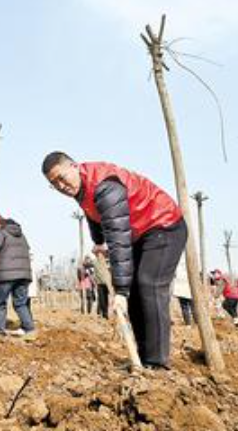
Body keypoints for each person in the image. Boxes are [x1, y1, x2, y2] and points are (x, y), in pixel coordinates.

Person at [42, 153, 186, 369]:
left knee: (149, 284)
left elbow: (118, 240)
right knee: (137, 294)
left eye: (62, 178)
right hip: (139, 231)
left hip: (163, 224)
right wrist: (98, 240)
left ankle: (157, 363)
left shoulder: (104, 187)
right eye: (54, 184)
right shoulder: (80, 188)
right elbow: (94, 214)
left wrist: (120, 291)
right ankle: (144, 359)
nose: (61, 186)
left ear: (74, 166)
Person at [0, 217, 36, 337]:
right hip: (23, 275)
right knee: (20, 303)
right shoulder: (22, 236)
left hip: (5, 275)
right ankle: (30, 329)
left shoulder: (2, 233)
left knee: (0, 303)